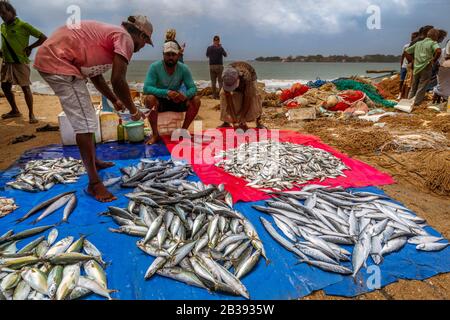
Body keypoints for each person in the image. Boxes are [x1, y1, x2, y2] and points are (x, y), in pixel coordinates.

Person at [34, 16, 153, 202]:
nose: (143, 46)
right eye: (145, 41)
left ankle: (94, 162)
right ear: (139, 33)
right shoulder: (125, 38)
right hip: (58, 61)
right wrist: (134, 111)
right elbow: (118, 80)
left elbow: (96, 76)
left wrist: (115, 100)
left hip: (55, 58)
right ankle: (94, 184)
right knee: (86, 124)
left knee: (88, 117)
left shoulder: (109, 37)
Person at [143, 41, 201, 145]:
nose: (170, 57)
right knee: (149, 99)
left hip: (177, 100)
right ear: (163, 54)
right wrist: (166, 93)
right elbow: (146, 88)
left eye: (173, 54)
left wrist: (185, 96)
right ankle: (156, 134)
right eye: (168, 54)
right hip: (160, 101)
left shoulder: (183, 68)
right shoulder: (154, 67)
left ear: (178, 55)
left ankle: (183, 131)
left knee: (196, 100)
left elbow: (193, 88)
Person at [0, 1, 47, 123]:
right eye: (0, 14)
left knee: (25, 88)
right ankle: (15, 110)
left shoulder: (22, 25)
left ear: (11, 11)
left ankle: (31, 114)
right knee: (5, 86)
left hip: (20, 61)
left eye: (4, 13)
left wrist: (30, 47)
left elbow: (43, 37)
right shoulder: (3, 26)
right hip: (7, 62)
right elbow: (7, 42)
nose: (2, 16)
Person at [219, 61, 266, 130]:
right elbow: (228, 97)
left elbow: (248, 98)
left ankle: (258, 121)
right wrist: (234, 119)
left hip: (250, 76)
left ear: (238, 79)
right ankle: (226, 122)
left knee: (255, 95)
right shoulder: (226, 76)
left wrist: (242, 117)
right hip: (234, 77)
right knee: (222, 94)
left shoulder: (247, 77)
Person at [405, 29, 442, 107]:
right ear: (435, 36)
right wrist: (434, 60)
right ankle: (416, 103)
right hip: (426, 66)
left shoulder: (418, 43)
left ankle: (408, 102)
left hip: (416, 67)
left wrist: (411, 61)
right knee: (422, 86)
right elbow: (438, 51)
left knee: (414, 86)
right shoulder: (433, 43)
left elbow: (407, 51)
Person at [399, 32, 418, 99]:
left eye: (414, 36)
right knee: (402, 80)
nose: (412, 38)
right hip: (406, 65)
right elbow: (403, 56)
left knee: (408, 82)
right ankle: (400, 93)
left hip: (411, 66)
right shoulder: (406, 46)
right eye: (412, 36)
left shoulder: (417, 45)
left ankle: (405, 95)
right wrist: (401, 65)